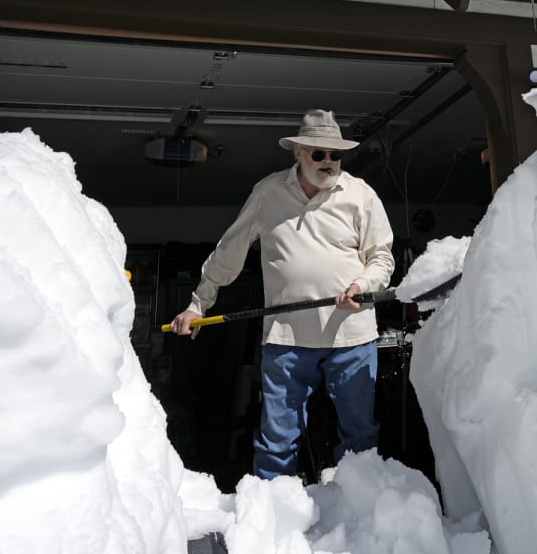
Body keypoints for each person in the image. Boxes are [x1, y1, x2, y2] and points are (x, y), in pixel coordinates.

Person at [169, 109, 394, 479]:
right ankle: (274, 516)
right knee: (277, 437)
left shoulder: (361, 194)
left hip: (351, 336)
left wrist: (363, 286)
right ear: (298, 153)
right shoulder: (268, 192)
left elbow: (381, 257)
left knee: (360, 434)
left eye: (334, 155)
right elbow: (230, 250)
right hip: (287, 338)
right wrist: (197, 305)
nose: (328, 162)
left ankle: (361, 516)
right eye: (318, 154)